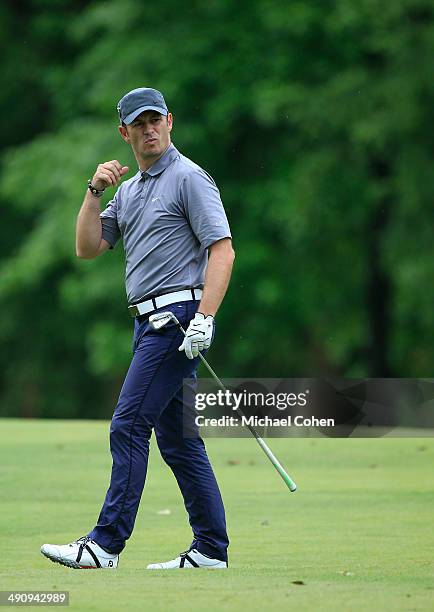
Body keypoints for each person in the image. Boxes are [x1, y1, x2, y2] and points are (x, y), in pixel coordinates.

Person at [40, 87, 234, 570]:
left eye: (156, 120)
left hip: (177, 321)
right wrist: (93, 191)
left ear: (170, 121)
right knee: (179, 443)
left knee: (128, 425)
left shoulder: (190, 178)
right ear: (124, 132)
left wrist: (205, 318)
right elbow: (87, 247)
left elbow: (222, 250)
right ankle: (211, 549)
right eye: (138, 123)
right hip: (147, 324)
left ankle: (105, 544)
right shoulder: (128, 190)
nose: (149, 129)